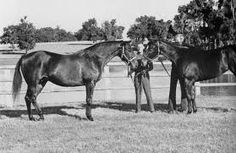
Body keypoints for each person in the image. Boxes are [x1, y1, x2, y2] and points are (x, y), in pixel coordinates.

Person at [132, 39, 154, 112]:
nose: (139, 48)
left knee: (148, 92)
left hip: (145, 76)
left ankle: (152, 109)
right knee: (138, 92)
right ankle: (138, 109)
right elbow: (132, 67)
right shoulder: (134, 56)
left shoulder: (146, 56)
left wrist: (146, 70)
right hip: (137, 75)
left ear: (143, 48)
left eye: (140, 47)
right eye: (138, 47)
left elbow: (151, 67)